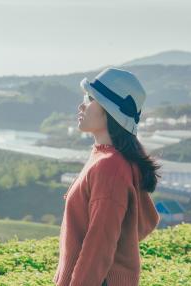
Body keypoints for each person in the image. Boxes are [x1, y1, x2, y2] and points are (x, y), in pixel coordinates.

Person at [53, 67, 161, 286]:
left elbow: (99, 243)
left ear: (110, 111)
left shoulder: (110, 166)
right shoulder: (106, 157)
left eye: (90, 98)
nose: (81, 105)